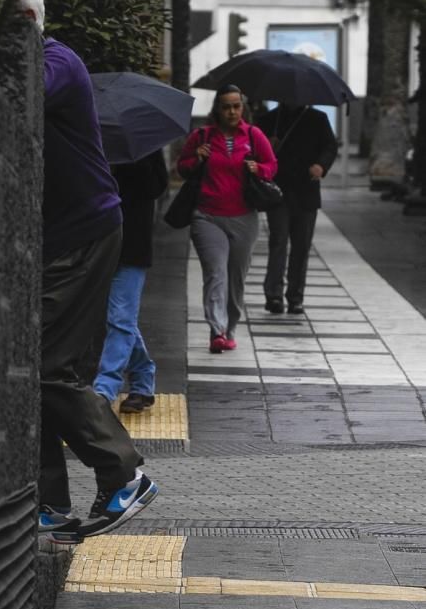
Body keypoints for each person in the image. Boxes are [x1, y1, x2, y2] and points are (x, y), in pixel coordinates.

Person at [0, 0, 158, 543]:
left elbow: (18, 88)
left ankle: (123, 473)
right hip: (54, 240)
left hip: (83, 234)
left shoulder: (57, 63)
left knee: (46, 366)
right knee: (28, 369)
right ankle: (46, 503)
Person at [177, 84, 278, 353]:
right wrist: (196, 158)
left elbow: (271, 166)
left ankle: (231, 327)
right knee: (215, 273)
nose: (232, 111)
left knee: (236, 277)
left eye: (236, 106)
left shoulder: (254, 136)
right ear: (217, 109)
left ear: (242, 107)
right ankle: (216, 330)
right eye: (226, 106)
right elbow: (182, 167)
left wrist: (259, 169)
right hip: (207, 216)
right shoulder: (202, 136)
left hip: (244, 217)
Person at [93, 151, 168, 413]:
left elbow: (156, 186)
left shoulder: (144, 144)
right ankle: (143, 379)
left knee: (120, 319)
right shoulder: (94, 139)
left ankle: (104, 389)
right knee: (115, 318)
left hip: (131, 245)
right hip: (97, 243)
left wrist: (131, 161)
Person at [255, 103, 338, 314]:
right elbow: (252, 151)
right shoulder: (269, 120)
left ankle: (295, 296)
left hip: (306, 191)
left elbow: (330, 146)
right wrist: (267, 148)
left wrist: (321, 165)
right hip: (278, 191)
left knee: (301, 247)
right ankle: (273, 295)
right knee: (278, 242)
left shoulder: (318, 119)